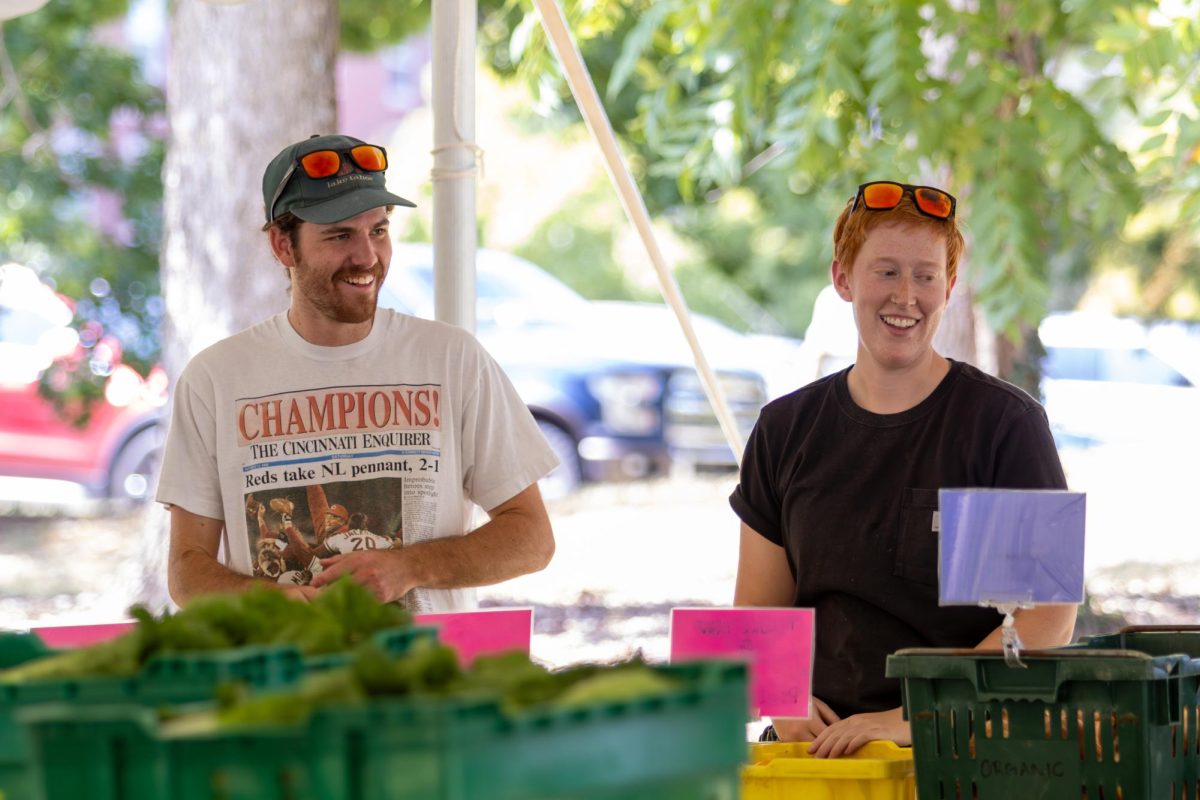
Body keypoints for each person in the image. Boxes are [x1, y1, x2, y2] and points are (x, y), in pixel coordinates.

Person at [729, 181, 1077, 758]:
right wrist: (781, 700)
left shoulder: (999, 425)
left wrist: (917, 716)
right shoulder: (785, 428)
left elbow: (1042, 622)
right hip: (815, 757)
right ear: (842, 279)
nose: (906, 296)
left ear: (951, 286)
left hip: (960, 751)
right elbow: (760, 614)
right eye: (885, 272)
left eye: (925, 275)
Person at [157, 133, 559, 613]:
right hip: (281, 677)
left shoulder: (453, 360)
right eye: (340, 235)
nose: (367, 257)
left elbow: (532, 538)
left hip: (427, 678)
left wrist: (408, 567)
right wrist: (274, 603)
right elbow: (186, 571)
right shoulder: (215, 378)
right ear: (283, 246)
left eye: (379, 230)